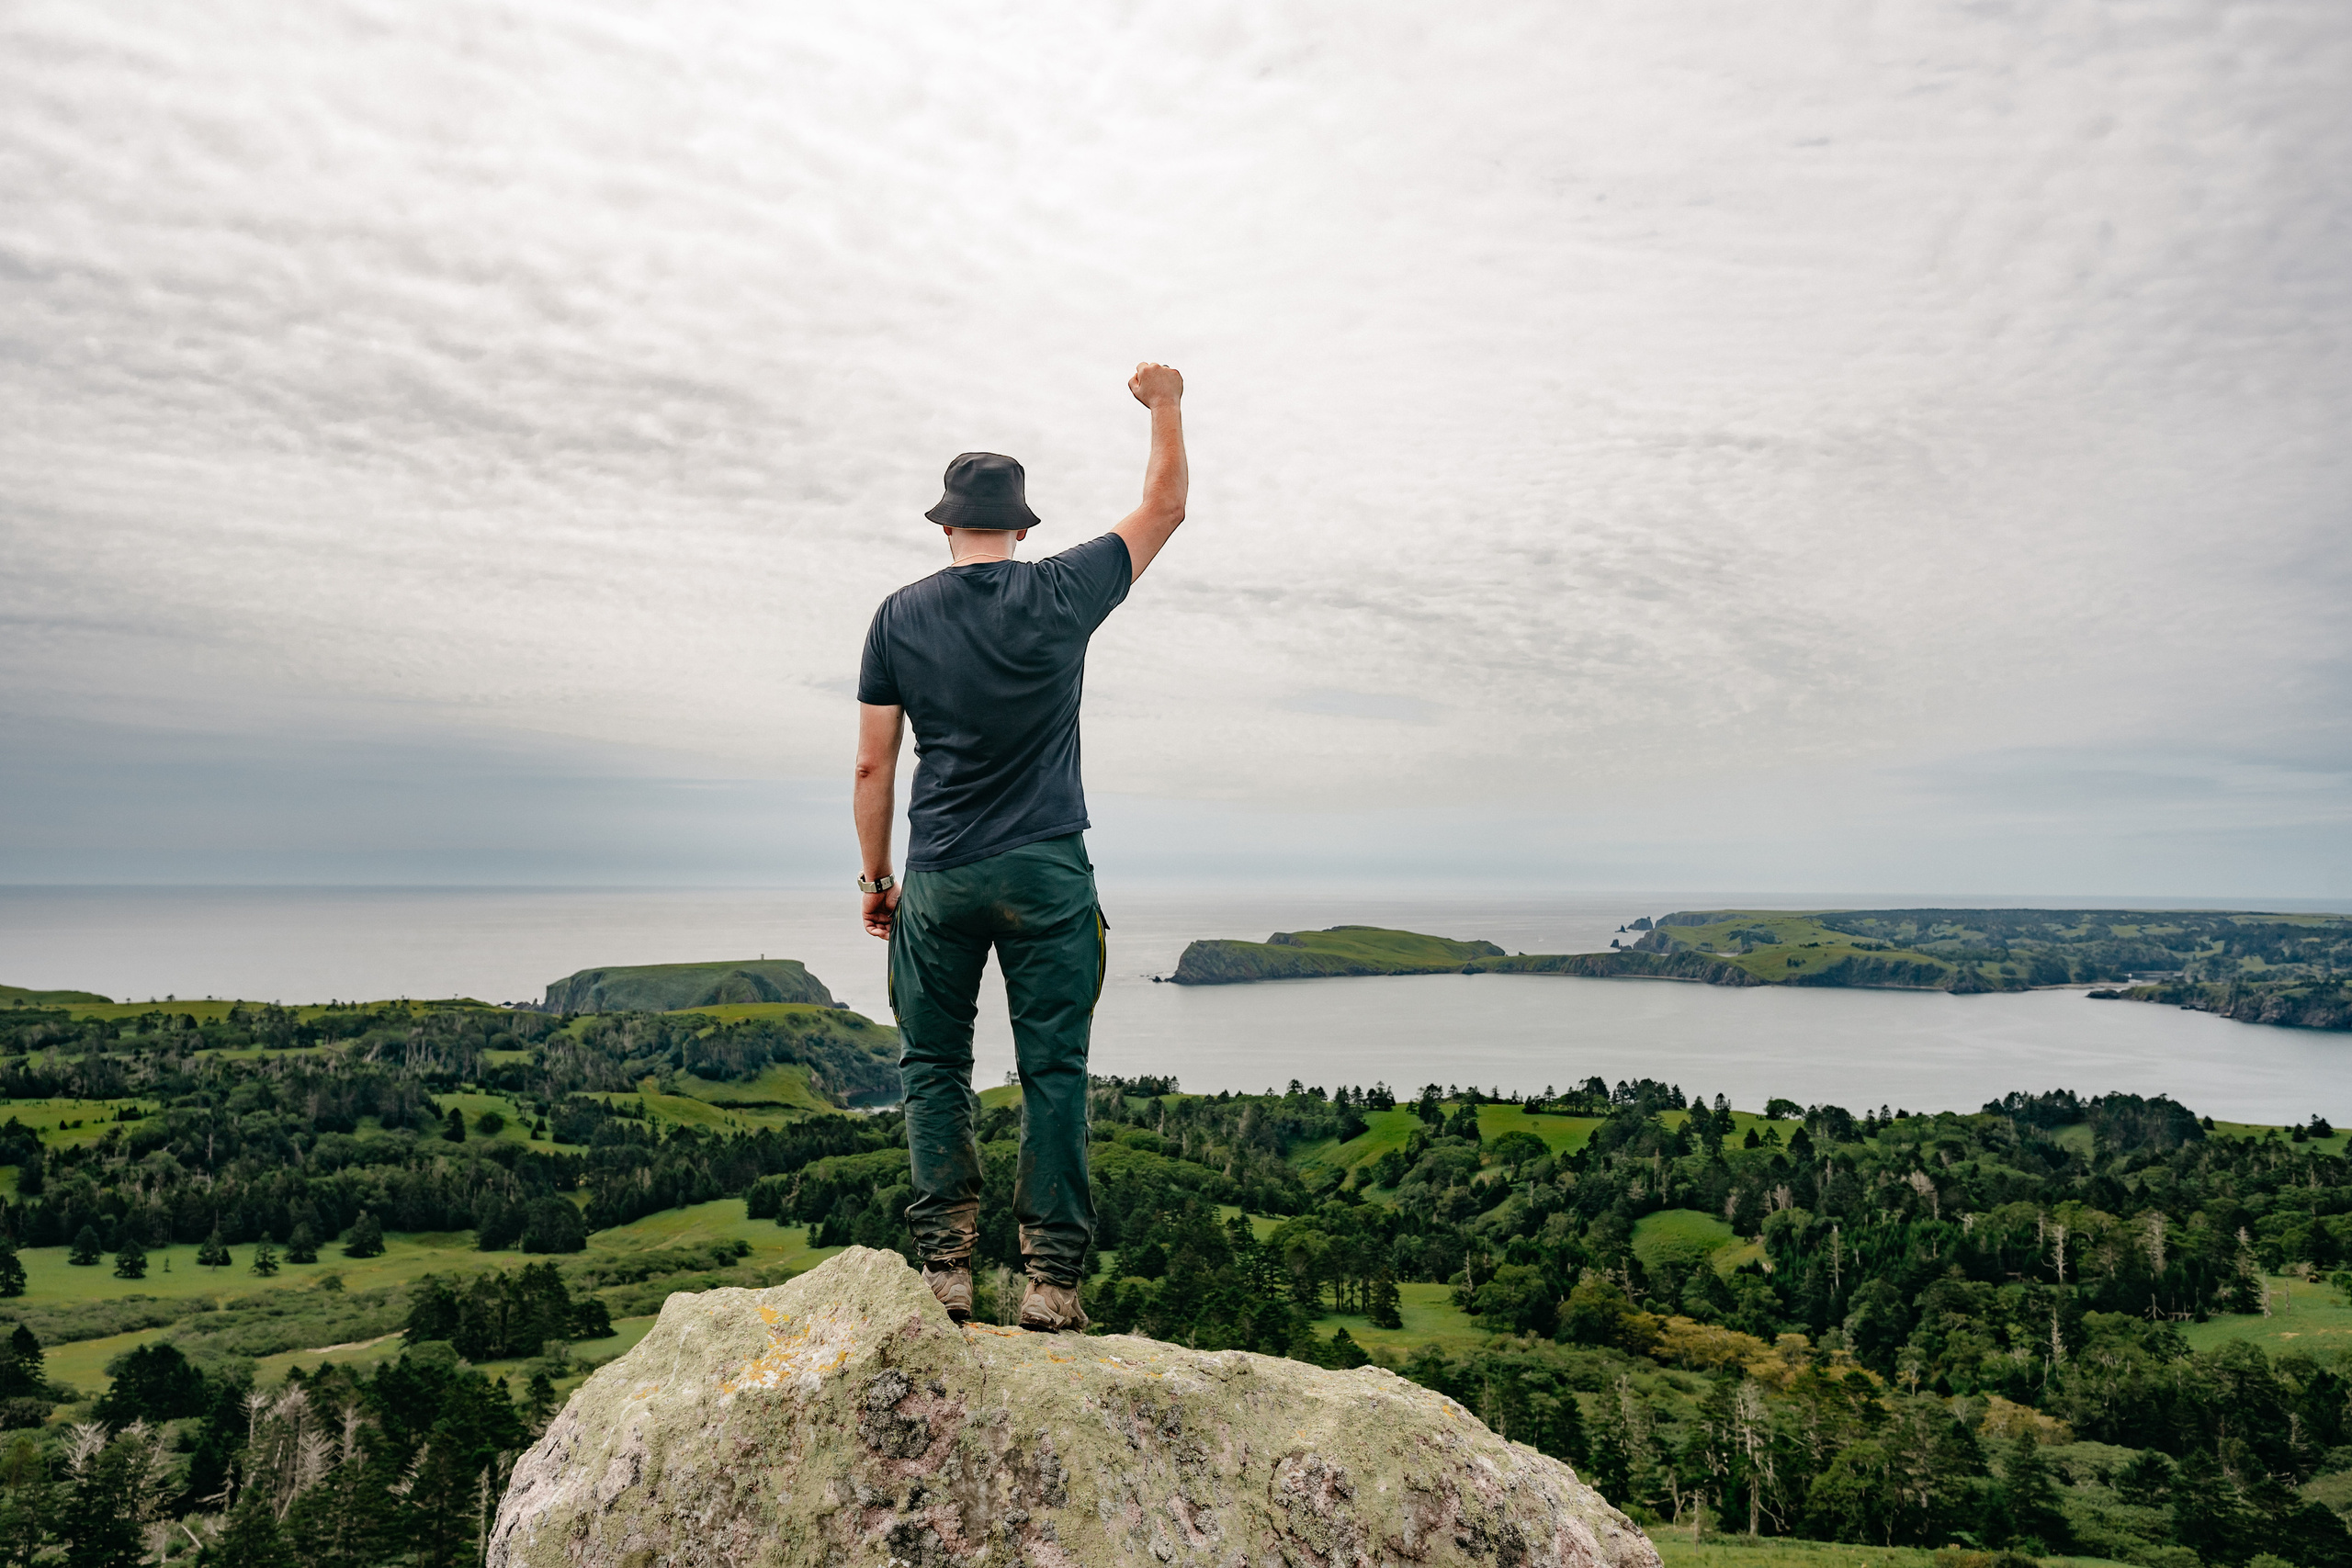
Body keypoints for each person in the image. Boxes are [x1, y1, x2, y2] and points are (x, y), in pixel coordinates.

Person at [853, 363, 1188, 1331]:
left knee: (932, 1067)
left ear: (944, 526)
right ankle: (1050, 1283)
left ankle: (947, 1269)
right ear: (1024, 528)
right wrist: (1164, 404)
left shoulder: (898, 615)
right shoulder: (1061, 590)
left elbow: (875, 767)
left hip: (941, 874)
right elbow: (1163, 507)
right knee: (1053, 1073)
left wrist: (879, 880)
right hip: (1046, 869)